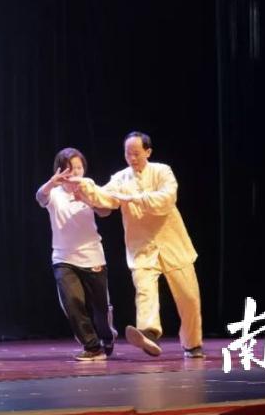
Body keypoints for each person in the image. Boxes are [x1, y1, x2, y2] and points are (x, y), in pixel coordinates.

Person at [74, 132, 204, 359]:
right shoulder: (121, 178)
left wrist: (135, 198)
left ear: (148, 152)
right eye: (127, 153)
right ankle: (149, 333)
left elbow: (167, 199)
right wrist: (84, 186)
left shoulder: (162, 171)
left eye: (136, 153)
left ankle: (192, 344)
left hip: (173, 245)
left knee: (189, 298)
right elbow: (105, 198)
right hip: (141, 247)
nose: (131, 158)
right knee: (145, 292)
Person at [36, 147, 117, 361]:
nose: (75, 172)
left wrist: (88, 199)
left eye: (79, 167)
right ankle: (92, 347)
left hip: (92, 256)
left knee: (100, 308)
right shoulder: (54, 193)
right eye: (70, 168)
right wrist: (51, 183)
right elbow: (40, 196)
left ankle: (107, 336)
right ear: (60, 170)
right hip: (63, 258)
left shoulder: (90, 187)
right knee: (72, 302)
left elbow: (106, 211)